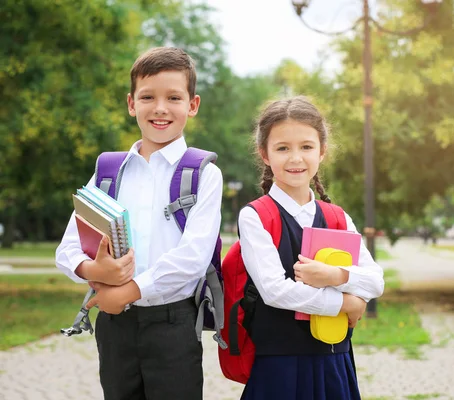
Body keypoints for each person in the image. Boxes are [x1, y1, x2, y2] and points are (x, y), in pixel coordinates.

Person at [55, 47, 223, 400]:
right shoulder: (107, 173)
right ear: (132, 104)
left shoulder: (204, 174)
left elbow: (193, 258)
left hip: (174, 326)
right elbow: (68, 247)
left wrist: (123, 292)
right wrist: (92, 269)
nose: (160, 108)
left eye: (174, 97)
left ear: (192, 105)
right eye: (148, 97)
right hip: (115, 328)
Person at [238, 96, 385, 399]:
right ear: (264, 154)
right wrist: (346, 304)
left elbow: (375, 280)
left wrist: (333, 275)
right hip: (279, 365)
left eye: (306, 147)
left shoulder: (337, 217)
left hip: (334, 361)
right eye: (283, 148)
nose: (295, 158)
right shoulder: (256, 216)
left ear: (322, 152)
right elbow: (275, 291)